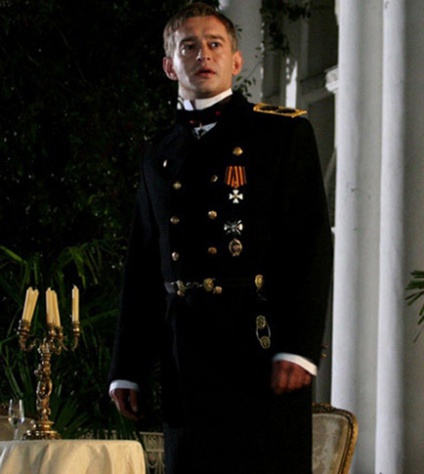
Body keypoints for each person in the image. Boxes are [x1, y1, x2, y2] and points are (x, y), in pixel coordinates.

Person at [107, 3, 333, 473]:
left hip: (259, 350)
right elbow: (144, 266)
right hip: (184, 357)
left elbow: (309, 245)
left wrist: (298, 346)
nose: (203, 55)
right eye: (188, 46)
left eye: (215, 44)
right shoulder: (159, 155)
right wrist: (127, 368)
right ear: (170, 66)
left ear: (236, 60)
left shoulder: (281, 134)